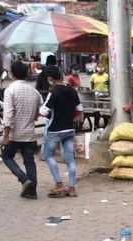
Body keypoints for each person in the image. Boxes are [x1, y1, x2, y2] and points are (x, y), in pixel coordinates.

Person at [1, 61, 43, 200]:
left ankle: (24, 180)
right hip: (29, 133)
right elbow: (38, 113)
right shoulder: (34, 91)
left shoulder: (10, 90)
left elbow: (8, 114)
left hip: (15, 134)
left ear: (12, 74)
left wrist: (6, 135)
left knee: (6, 156)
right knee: (29, 161)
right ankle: (32, 191)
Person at [40, 67, 82, 198]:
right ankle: (72, 187)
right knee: (70, 159)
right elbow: (79, 109)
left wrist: (41, 107)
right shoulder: (72, 90)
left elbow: (44, 111)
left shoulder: (53, 92)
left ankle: (59, 184)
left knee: (48, 155)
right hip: (69, 129)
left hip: (55, 130)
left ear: (50, 79)